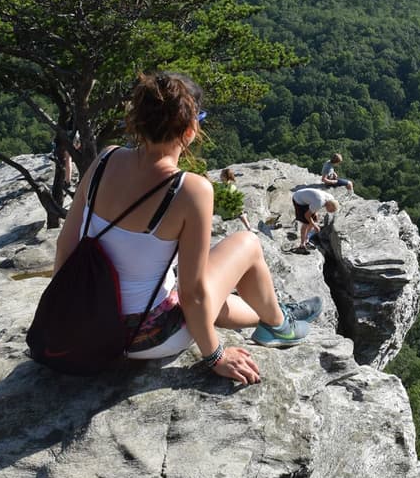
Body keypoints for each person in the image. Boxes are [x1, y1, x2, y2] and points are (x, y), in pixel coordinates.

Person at [54, 71, 320, 384]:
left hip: (90, 325)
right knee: (247, 243)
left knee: (209, 295)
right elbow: (192, 295)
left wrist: (68, 314)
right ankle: (279, 322)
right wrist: (216, 355)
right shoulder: (190, 190)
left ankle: (272, 314)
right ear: (191, 128)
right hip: (147, 338)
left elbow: (64, 245)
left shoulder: (104, 160)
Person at [290, 187, 339, 254]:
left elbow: (315, 203)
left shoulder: (331, 198)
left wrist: (314, 222)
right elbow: (307, 215)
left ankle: (306, 240)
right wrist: (314, 226)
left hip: (308, 199)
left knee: (315, 219)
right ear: (329, 206)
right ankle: (302, 245)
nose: (330, 212)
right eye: (331, 210)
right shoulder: (319, 202)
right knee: (306, 223)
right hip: (298, 200)